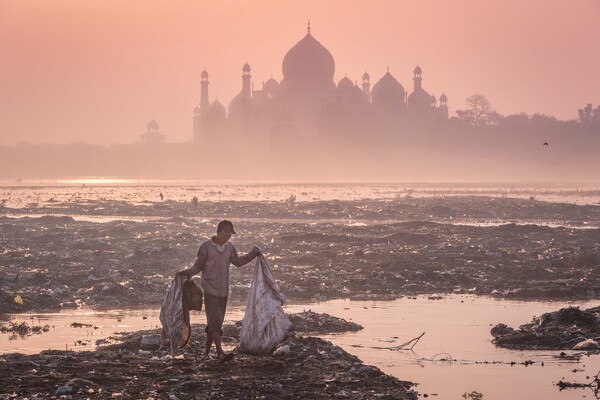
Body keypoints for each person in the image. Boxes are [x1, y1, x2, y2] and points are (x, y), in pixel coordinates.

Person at [178, 220, 260, 361]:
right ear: (219, 231)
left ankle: (205, 354)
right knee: (215, 323)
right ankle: (220, 353)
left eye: (230, 234)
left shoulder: (229, 248)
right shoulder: (206, 247)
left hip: (224, 291)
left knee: (214, 324)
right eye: (226, 233)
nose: (228, 237)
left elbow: (238, 262)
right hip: (210, 290)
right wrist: (188, 272)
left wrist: (253, 254)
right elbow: (198, 265)